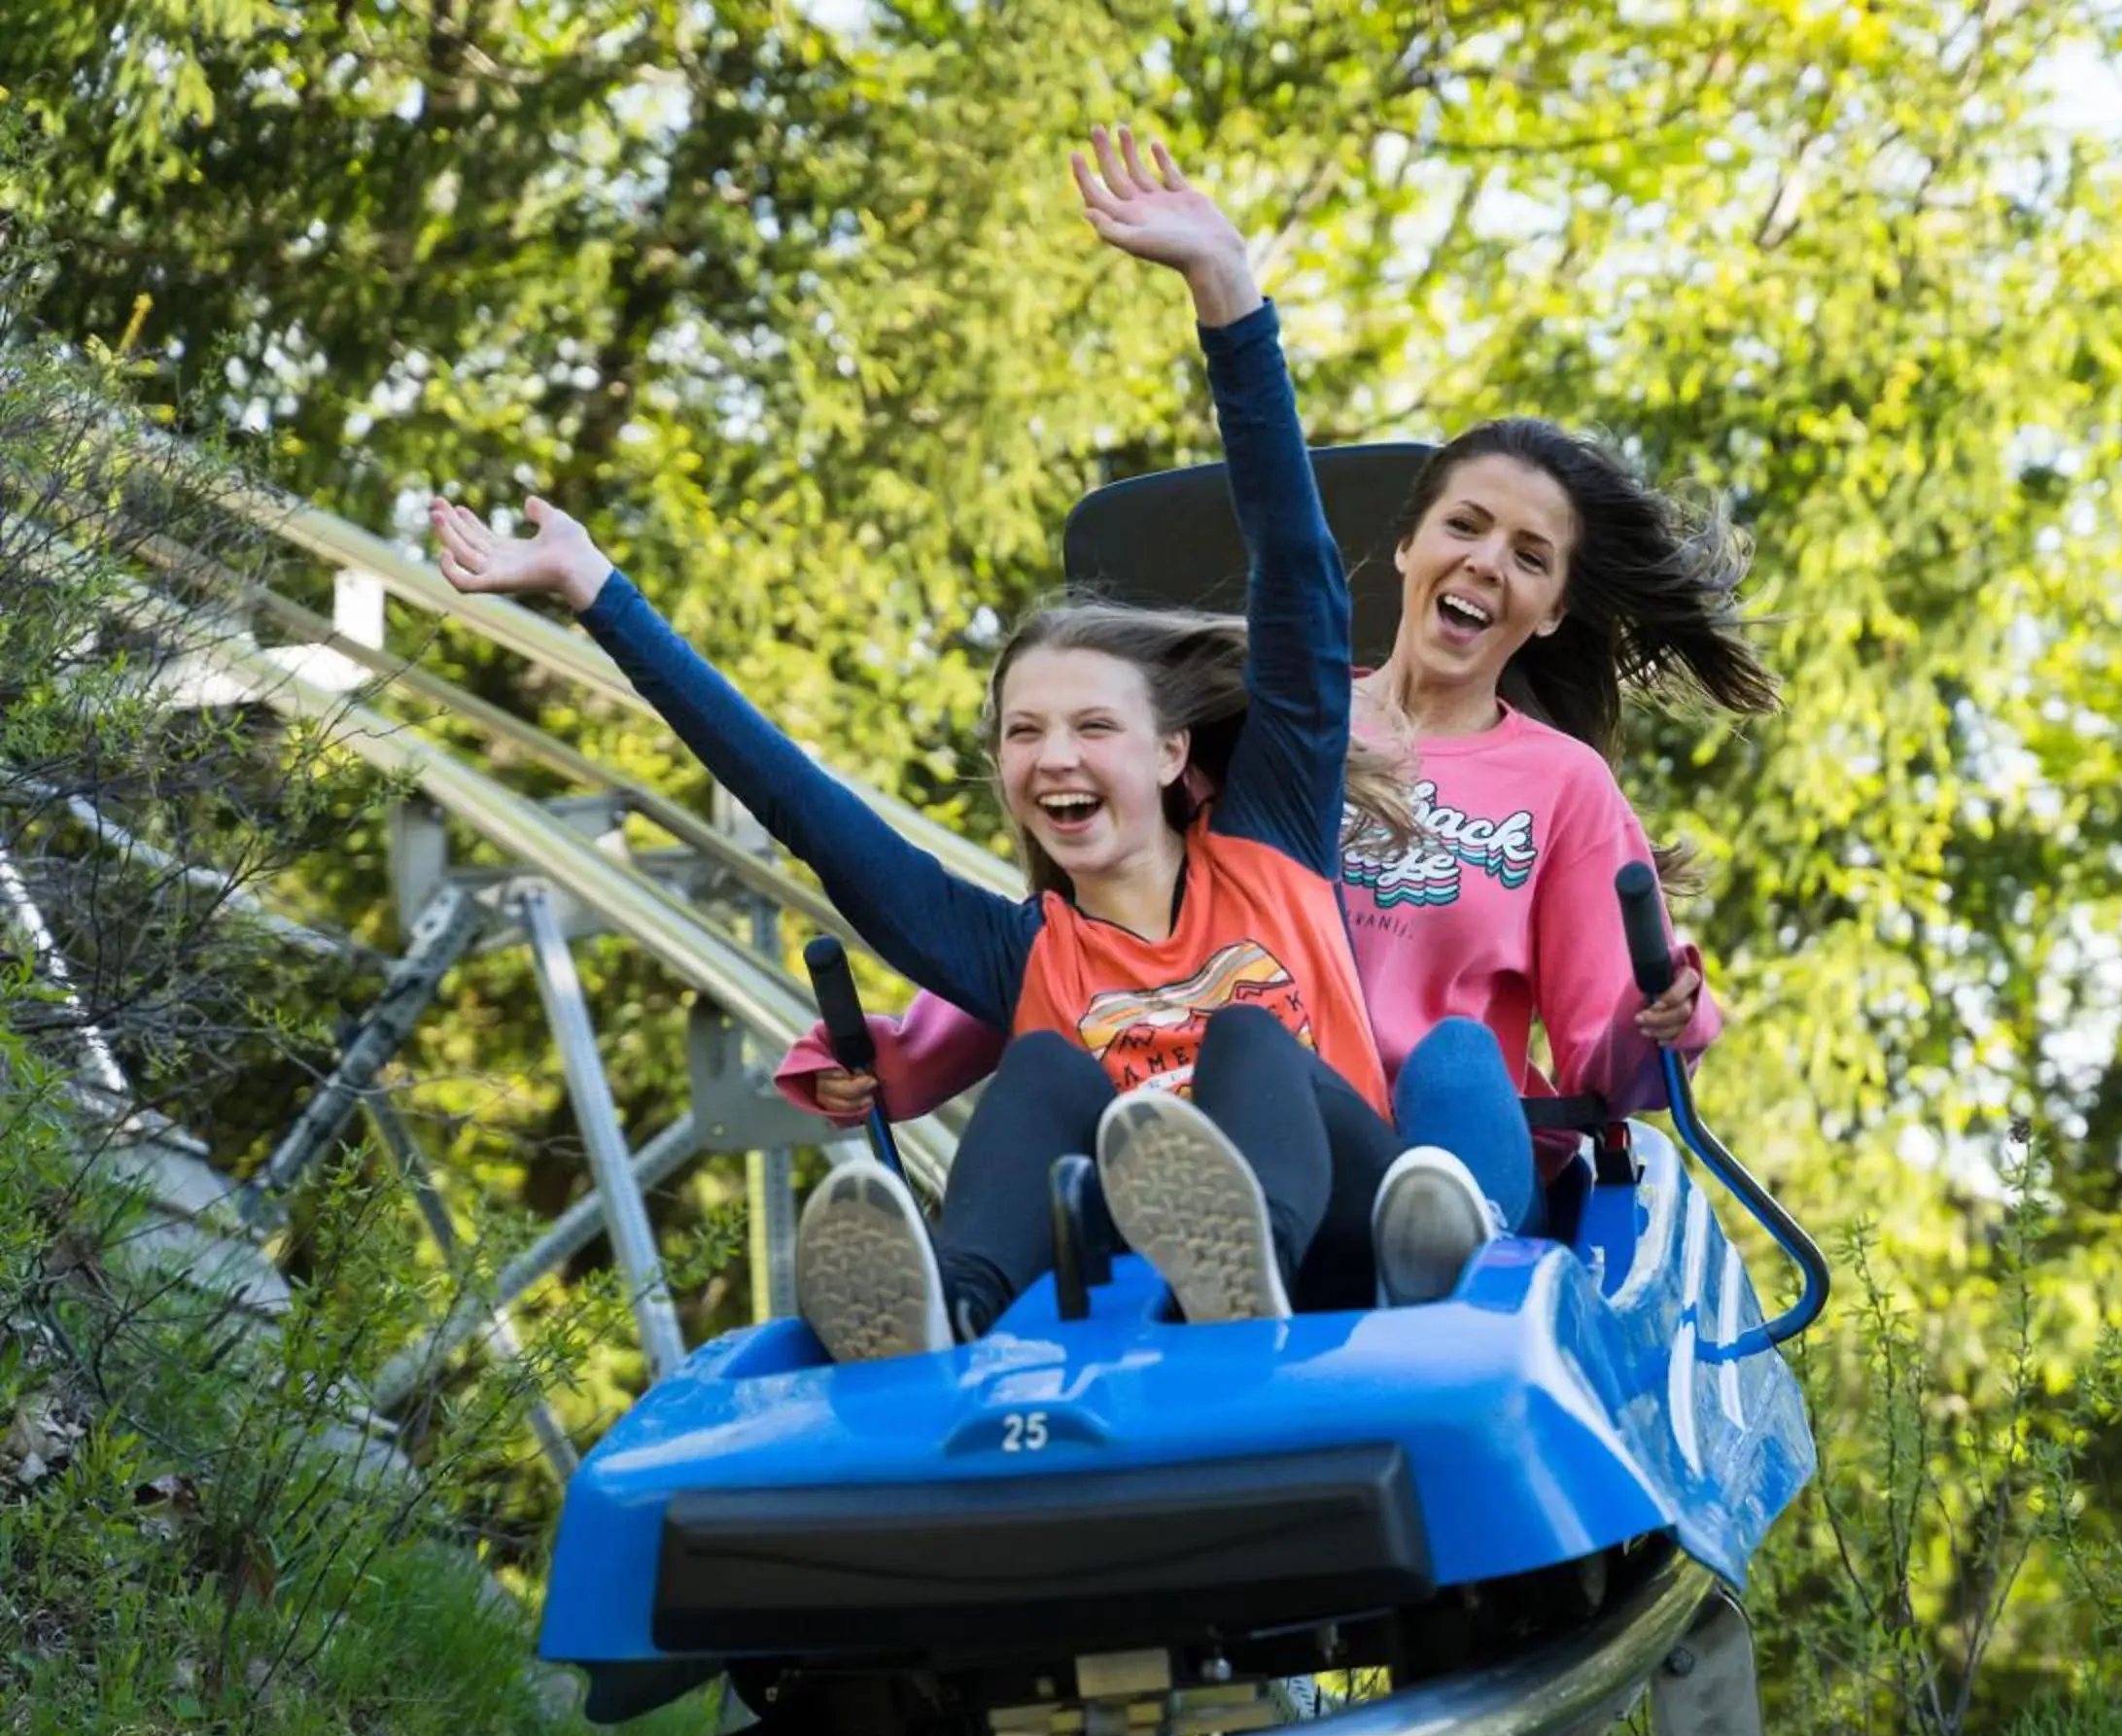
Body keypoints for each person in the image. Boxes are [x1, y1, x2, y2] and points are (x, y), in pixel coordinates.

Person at [431, 129, 1498, 1359]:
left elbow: (1301, 587)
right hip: (1139, 1271)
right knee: (1046, 1073)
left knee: (1248, 1039)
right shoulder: (1021, 953)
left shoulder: (1270, 845)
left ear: (1166, 754)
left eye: (1093, 725)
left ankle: (1244, 1254)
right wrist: (600, 593)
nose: (1053, 756)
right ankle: (943, 1310)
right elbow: (797, 799)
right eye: (1023, 732)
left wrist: (1227, 294)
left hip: (1337, 1252)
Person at [785, 354, 1785, 1305]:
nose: (1486, 563)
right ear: (1407, 545)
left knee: (1454, 1056)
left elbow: (1609, 1061)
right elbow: (1104, 932)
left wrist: (1670, 1013)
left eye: (1528, 556)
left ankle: (1443, 1275)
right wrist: (906, 1053)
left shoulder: (1564, 786)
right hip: (1245, 1131)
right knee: (1231, 1036)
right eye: (1465, 526)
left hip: (1446, 1161)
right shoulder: (1272, 735)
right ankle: (1200, 1268)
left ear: (1555, 607)